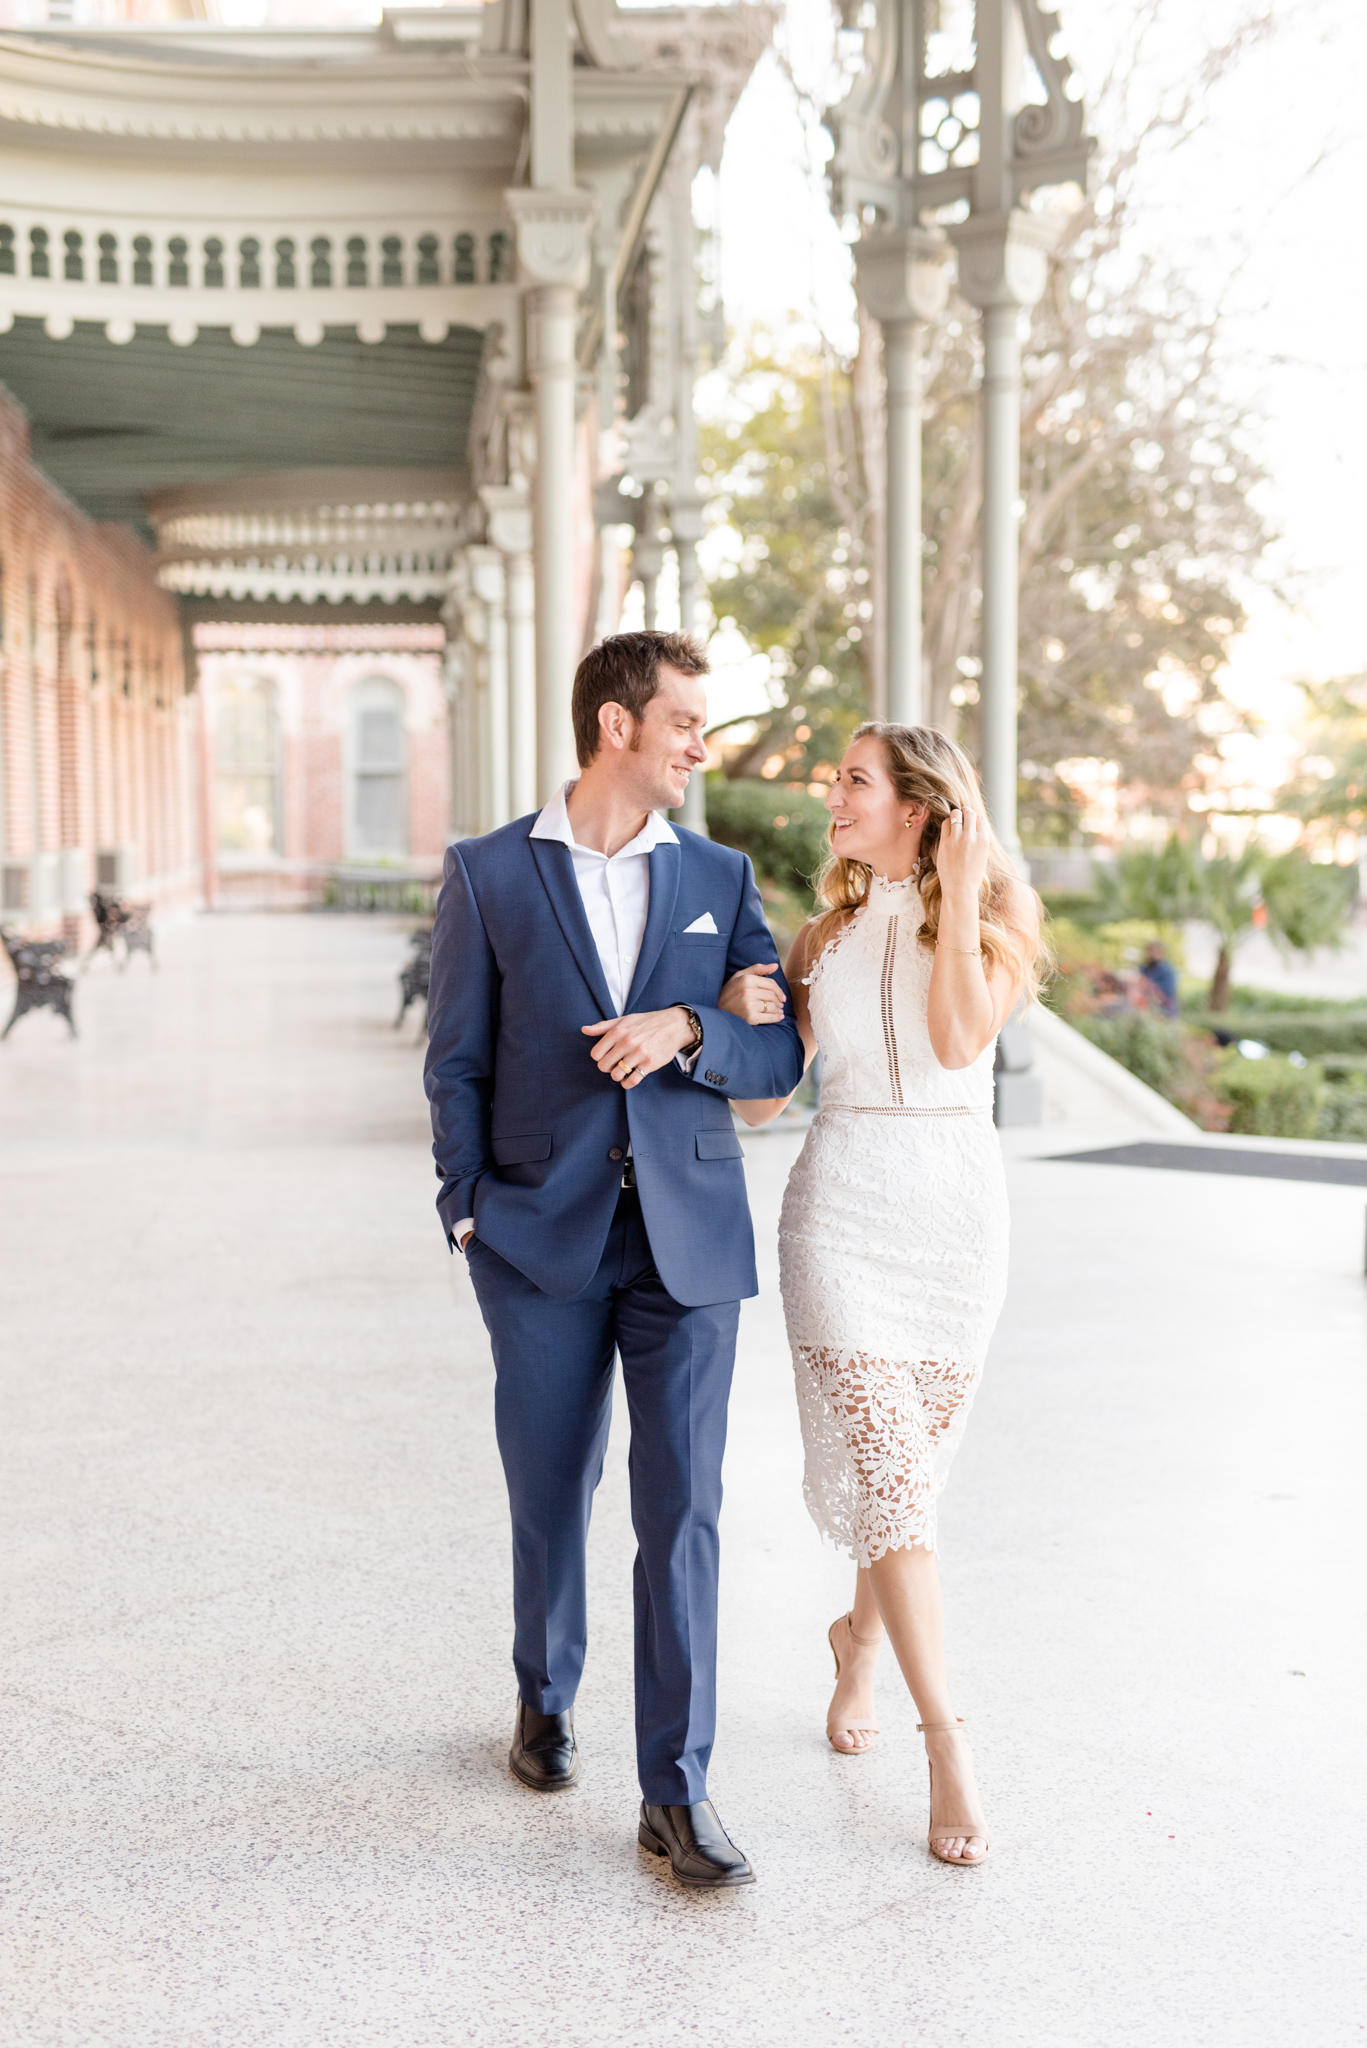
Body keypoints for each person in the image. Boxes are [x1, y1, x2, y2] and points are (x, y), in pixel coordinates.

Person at [423, 630, 804, 1892]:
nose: (702, 744)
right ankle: (542, 1691)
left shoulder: (718, 872)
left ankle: (676, 1793)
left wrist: (691, 1023)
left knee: (681, 1507)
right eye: (686, 721)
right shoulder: (486, 872)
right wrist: (468, 1207)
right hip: (536, 1239)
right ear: (615, 726)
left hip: (686, 1245)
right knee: (549, 1489)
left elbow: (771, 1057)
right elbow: (457, 1061)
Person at [721, 723, 1047, 1867]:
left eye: (852, 778)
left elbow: (957, 1041)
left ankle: (856, 1638)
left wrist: (955, 896)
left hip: (955, 1227)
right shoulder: (821, 937)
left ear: (918, 806)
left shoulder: (995, 934)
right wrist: (743, 1021)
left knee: (906, 1479)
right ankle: (947, 1745)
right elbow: (763, 1107)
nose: (831, 792)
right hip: (841, 1223)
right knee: (898, 1487)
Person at [1139, 939, 1179, 1016]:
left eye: (1155, 952)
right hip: (1148, 1012)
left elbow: (1165, 994)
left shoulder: (1167, 971)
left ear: (1162, 953)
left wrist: (1146, 984)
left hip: (1165, 1013)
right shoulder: (1145, 969)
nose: (1151, 954)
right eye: (1150, 951)